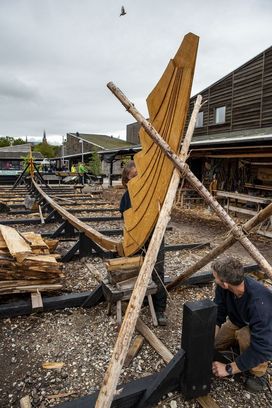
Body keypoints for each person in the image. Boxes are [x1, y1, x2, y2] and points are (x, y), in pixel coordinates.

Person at [212, 256, 272, 393]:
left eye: (215, 277)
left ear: (225, 283)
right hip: (238, 321)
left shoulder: (259, 304)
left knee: (245, 336)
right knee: (213, 344)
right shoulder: (223, 288)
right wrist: (211, 336)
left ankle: (258, 374)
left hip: (265, 331)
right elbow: (219, 312)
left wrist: (228, 369)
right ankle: (242, 352)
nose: (214, 279)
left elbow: (263, 348)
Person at [119, 161, 167, 326]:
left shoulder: (151, 195)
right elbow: (127, 224)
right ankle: (142, 300)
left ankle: (160, 309)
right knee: (138, 270)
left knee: (157, 271)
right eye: (133, 177)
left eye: (139, 176)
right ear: (126, 181)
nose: (137, 180)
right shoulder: (126, 199)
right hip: (136, 239)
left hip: (155, 236)